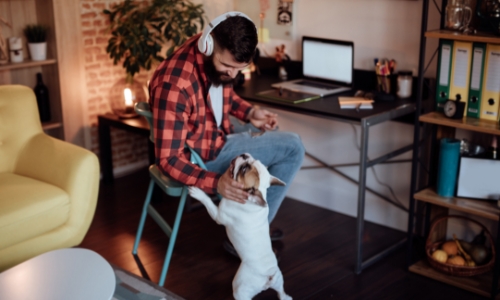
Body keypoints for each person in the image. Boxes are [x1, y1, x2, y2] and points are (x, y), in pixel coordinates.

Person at [148, 12, 305, 255]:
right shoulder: (175, 84)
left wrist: (250, 112)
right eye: (227, 66)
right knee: (293, 146)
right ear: (208, 46)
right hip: (202, 156)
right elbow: (168, 159)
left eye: (239, 68)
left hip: (215, 132)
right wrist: (216, 183)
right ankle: (251, 234)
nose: (232, 74)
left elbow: (222, 95)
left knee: (276, 135)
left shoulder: (211, 55)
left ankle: (245, 223)